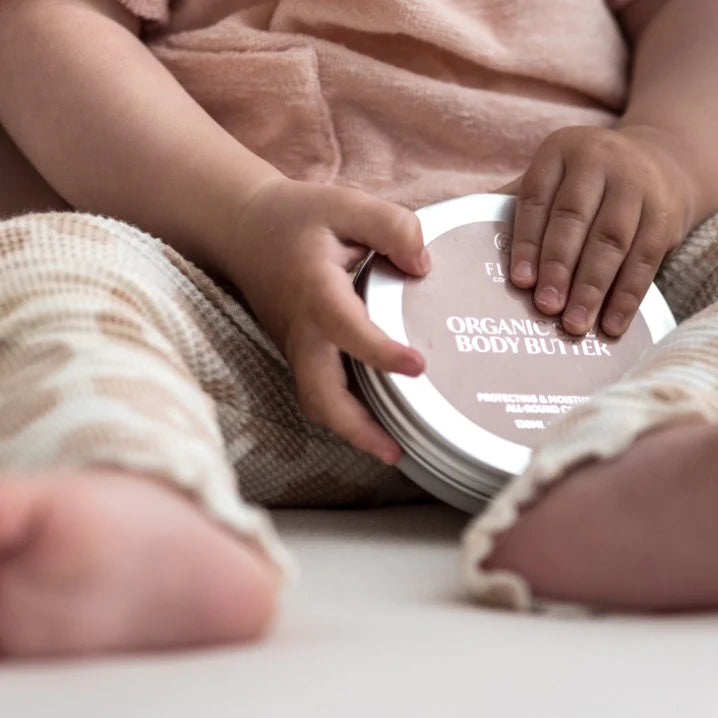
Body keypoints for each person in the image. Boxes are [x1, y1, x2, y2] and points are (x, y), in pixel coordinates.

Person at [0, 0, 716, 656]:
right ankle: (135, 492)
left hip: (606, 311)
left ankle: (644, 461)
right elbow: (40, 27)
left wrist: (669, 151)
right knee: (54, 256)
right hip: (244, 323)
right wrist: (244, 214)